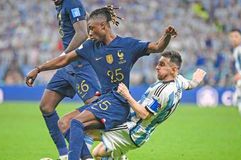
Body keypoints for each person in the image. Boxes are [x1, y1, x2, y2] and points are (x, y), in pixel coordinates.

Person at [26, 5, 177, 160]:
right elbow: (64, 59)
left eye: (92, 28)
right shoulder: (90, 46)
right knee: (64, 123)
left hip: (118, 102)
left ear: (103, 26)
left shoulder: (127, 45)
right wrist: (38, 69)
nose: (89, 33)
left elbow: (157, 47)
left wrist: (166, 35)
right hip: (105, 100)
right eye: (88, 29)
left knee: (76, 123)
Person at [91, 51, 206, 159]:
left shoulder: (163, 91)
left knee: (92, 140)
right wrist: (196, 80)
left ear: (173, 69)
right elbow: (190, 85)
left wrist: (126, 95)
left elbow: (144, 114)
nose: (157, 67)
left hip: (132, 130)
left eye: (162, 64)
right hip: (138, 131)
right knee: (98, 147)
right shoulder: (178, 80)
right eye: (158, 63)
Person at [40, 0, 101, 159]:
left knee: (97, 107)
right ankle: (65, 155)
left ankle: (115, 147)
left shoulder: (72, 2)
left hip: (80, 64)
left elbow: (82, 33)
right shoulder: (61, 5)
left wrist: (64, 55)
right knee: (46, 106)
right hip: (68, 67)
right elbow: (85, 21)